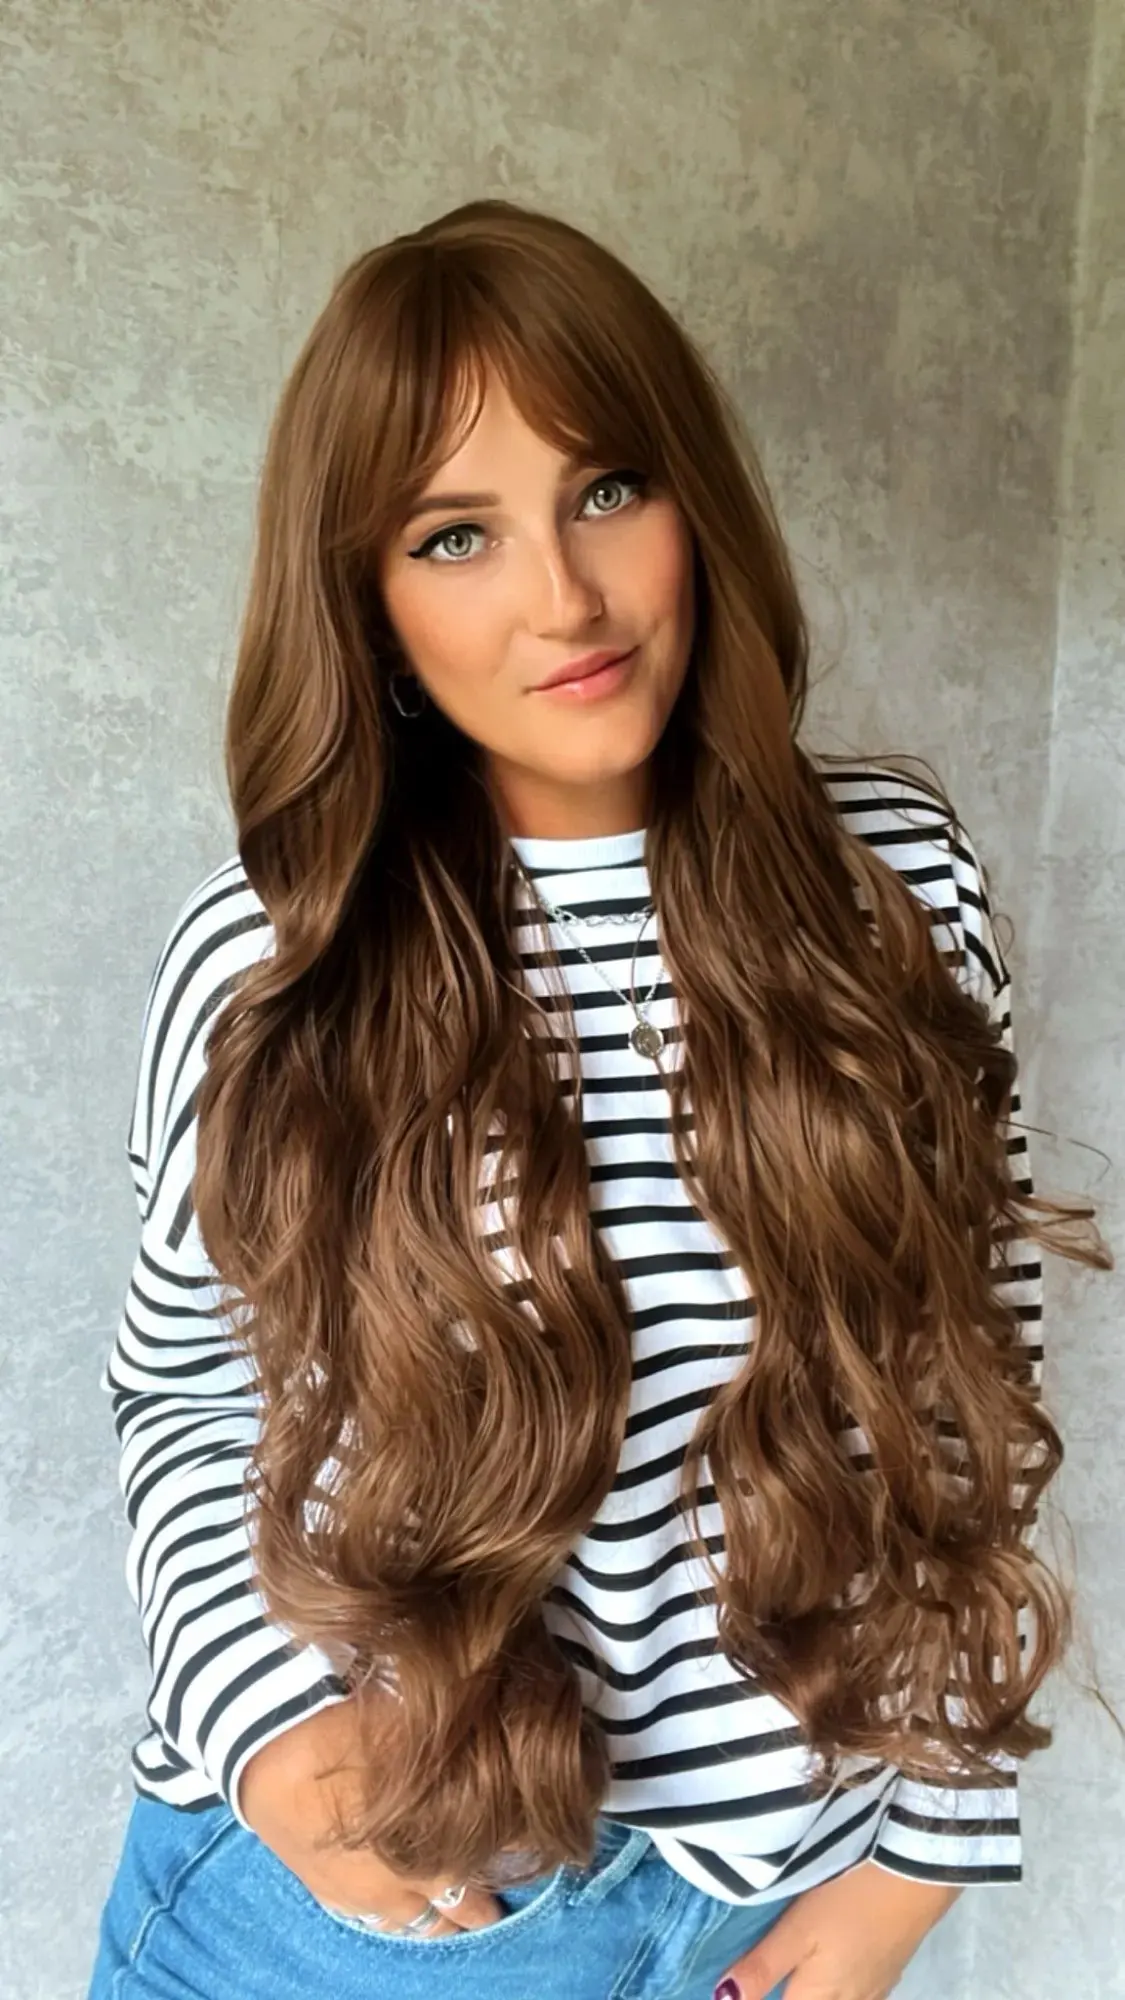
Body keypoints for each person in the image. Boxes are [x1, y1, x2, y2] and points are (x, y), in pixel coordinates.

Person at [87, 198, 1108, 2000]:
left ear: (692, 501)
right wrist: (282, 1747)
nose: (563, 598)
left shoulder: (891, 880)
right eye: (457, 534)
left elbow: (963, 1366)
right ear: (373, 606)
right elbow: (182, 1391)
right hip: (366, 1917)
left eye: (609, 489)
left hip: (766, 1899)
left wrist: (922, 1863)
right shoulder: (277, 951)